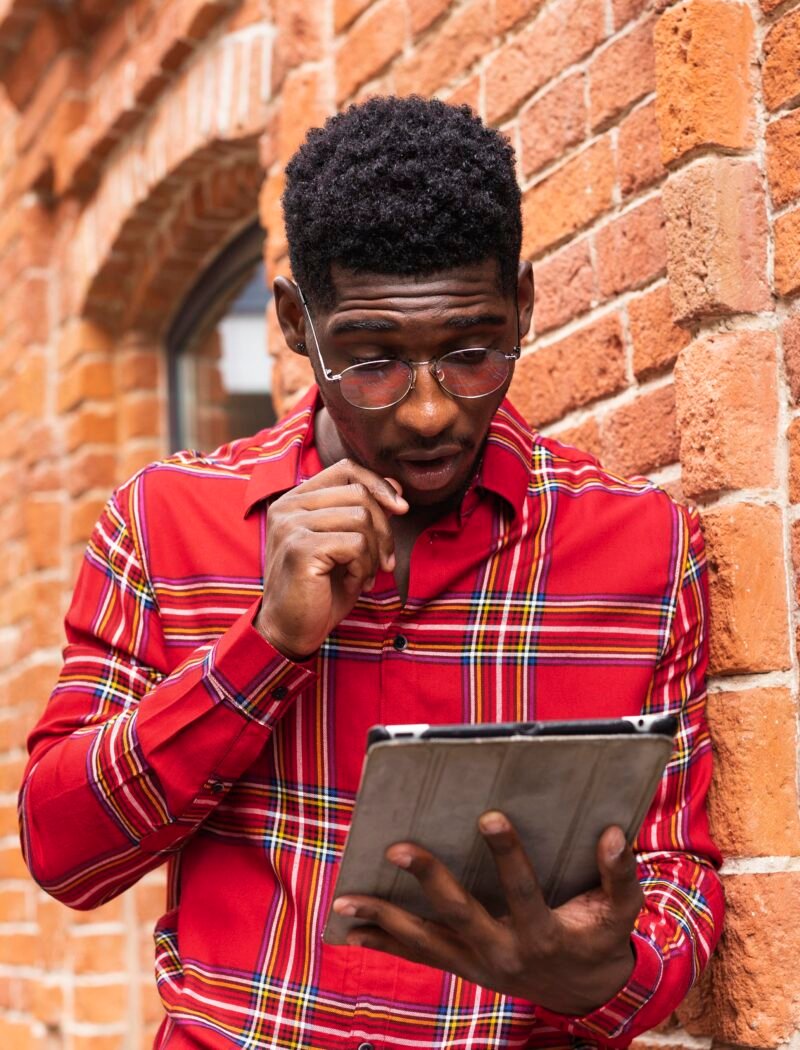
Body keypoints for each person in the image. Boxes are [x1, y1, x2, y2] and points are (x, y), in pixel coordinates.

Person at [20, 96, 723, 1049]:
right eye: (374, 359)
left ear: (523, 303)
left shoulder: (641, 551)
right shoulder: (165, 523)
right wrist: (262, 648)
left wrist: (605, 974)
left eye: (471, 352)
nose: (430, 412)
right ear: (295, 324)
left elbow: (678, 881)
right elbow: (65, 854)